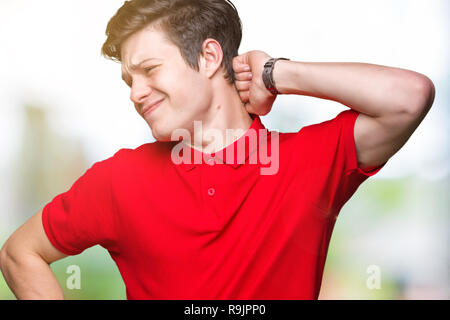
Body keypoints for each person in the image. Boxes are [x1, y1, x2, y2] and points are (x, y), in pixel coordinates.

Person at [0, 0, 435, 300]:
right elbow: (20, 252)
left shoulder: (308, 159)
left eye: (149, 70)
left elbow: (409, 97)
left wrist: (274, 73)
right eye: (129, 80)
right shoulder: (119, 179)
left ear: (210, 57)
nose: (135, 93)